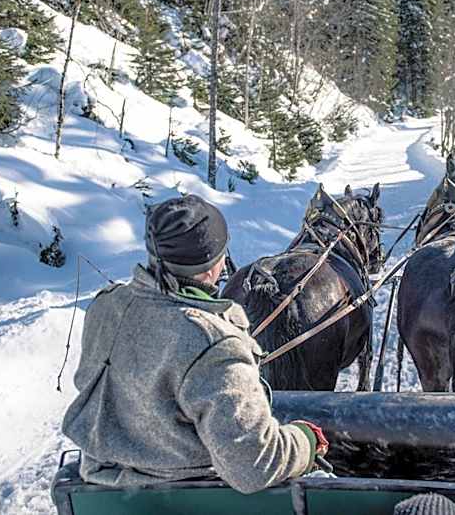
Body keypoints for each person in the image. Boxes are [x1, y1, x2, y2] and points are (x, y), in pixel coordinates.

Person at [62, 194, 328, 494]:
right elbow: (255, 467)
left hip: (100, 489)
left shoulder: (105, 307)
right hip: (186, 495)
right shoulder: (214, 343)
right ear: (214, 265)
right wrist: (305, 440)